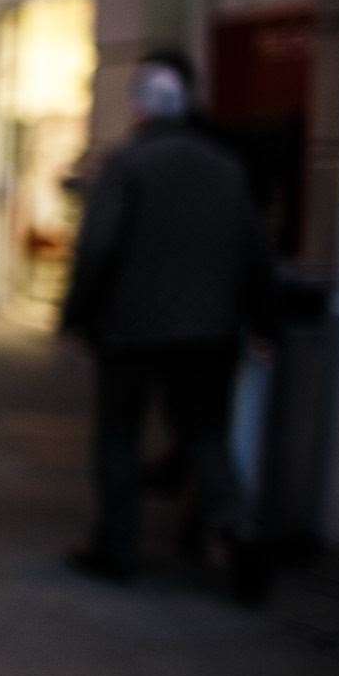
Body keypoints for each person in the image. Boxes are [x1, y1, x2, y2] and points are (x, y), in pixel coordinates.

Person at [60, 51, 275, 592]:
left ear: (139, 109)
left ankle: (118, 546)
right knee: (205, 433)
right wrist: (262, 320)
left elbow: (96, 250)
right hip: (210, 330)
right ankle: (239, 532)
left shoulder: (127, 165)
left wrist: (77, 315)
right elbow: (255, 251)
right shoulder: (225, 166)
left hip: (131, 328)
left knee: (119, 435)